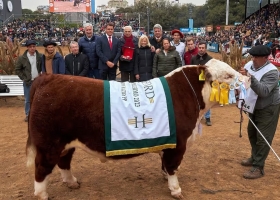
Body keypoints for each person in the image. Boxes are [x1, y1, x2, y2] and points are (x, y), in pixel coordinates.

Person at [239, 45, 280, 179]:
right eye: (252, 56)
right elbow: (242, 80)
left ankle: (258, 167)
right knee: (252, 133)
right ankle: (255, 157)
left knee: (263, 137)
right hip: (253, 105)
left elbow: (263, 91)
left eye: (256, 57)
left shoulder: (272, 72)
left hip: (268, 107)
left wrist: (250, 77)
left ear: (265, 58)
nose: (253, 59)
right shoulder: (251, 64)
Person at [15, 40, 42, 122]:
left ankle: (37, 115)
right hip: (28, 82)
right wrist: (23, 78)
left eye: (34, 46)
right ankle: (28, 114)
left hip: (38, 81)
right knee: (28, 99)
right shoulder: (22, 58)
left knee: (38, 99)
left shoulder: (40, 56)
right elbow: (17, 69)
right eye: (30, 47)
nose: (32, 48)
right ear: (27, 48)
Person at [190, 41, 213, 126]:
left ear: (205, 48)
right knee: (196, 100)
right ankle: (197, 117)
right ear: (198, 48)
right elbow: (190, 70)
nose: (201, 49)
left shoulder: (210, 59)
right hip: (196, 83)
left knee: (206, 100)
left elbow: (212, 72)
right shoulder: (193, 58)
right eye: (200, 48)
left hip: (206, 83)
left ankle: (207, 118)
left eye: (203, 48)